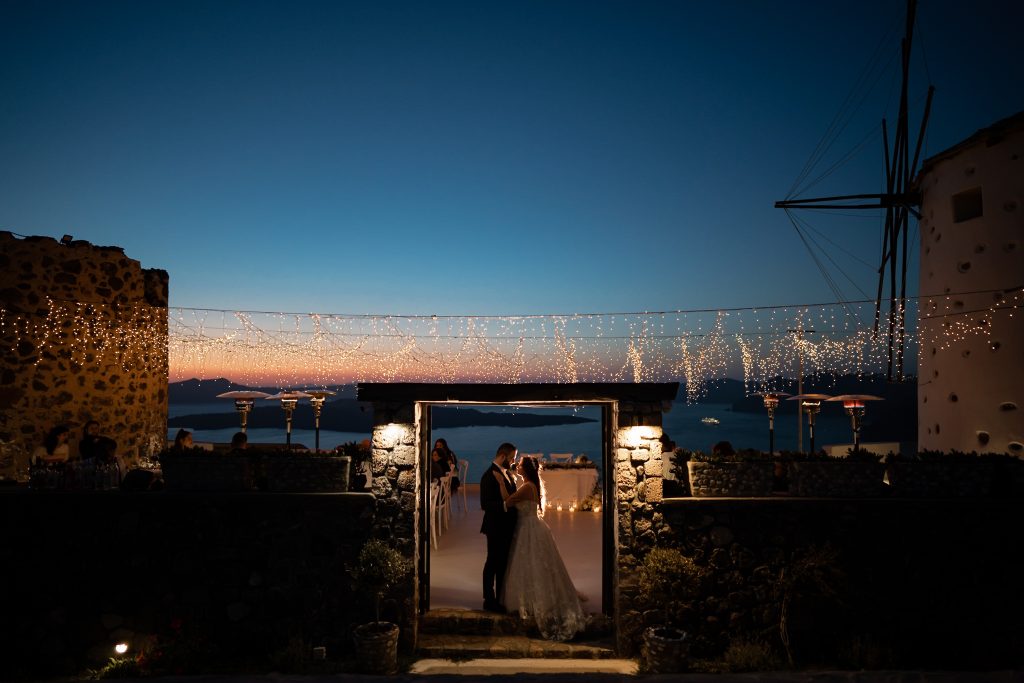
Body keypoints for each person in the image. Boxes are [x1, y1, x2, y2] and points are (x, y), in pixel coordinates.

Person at [492, 455, 587, 641]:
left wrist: (501, 483)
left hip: (527, 529)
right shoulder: (531, 485)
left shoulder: (527, 487)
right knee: (538, 565)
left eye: (519, 465)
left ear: (526, 469)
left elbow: (507, 502)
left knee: (530, 565)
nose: (516, 466)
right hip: (533, 527)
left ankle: (532, 602)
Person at [480, 442, 518, 613]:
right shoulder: (488, 476)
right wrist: (506, 506)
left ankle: (501, 597)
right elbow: (485, 504)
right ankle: (489, 599)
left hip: (506, 526)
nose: (513, 461)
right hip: (495, 526)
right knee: (493, 563)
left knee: (503, 563)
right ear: (502, 456)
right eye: (511, 458)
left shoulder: (506, 473)